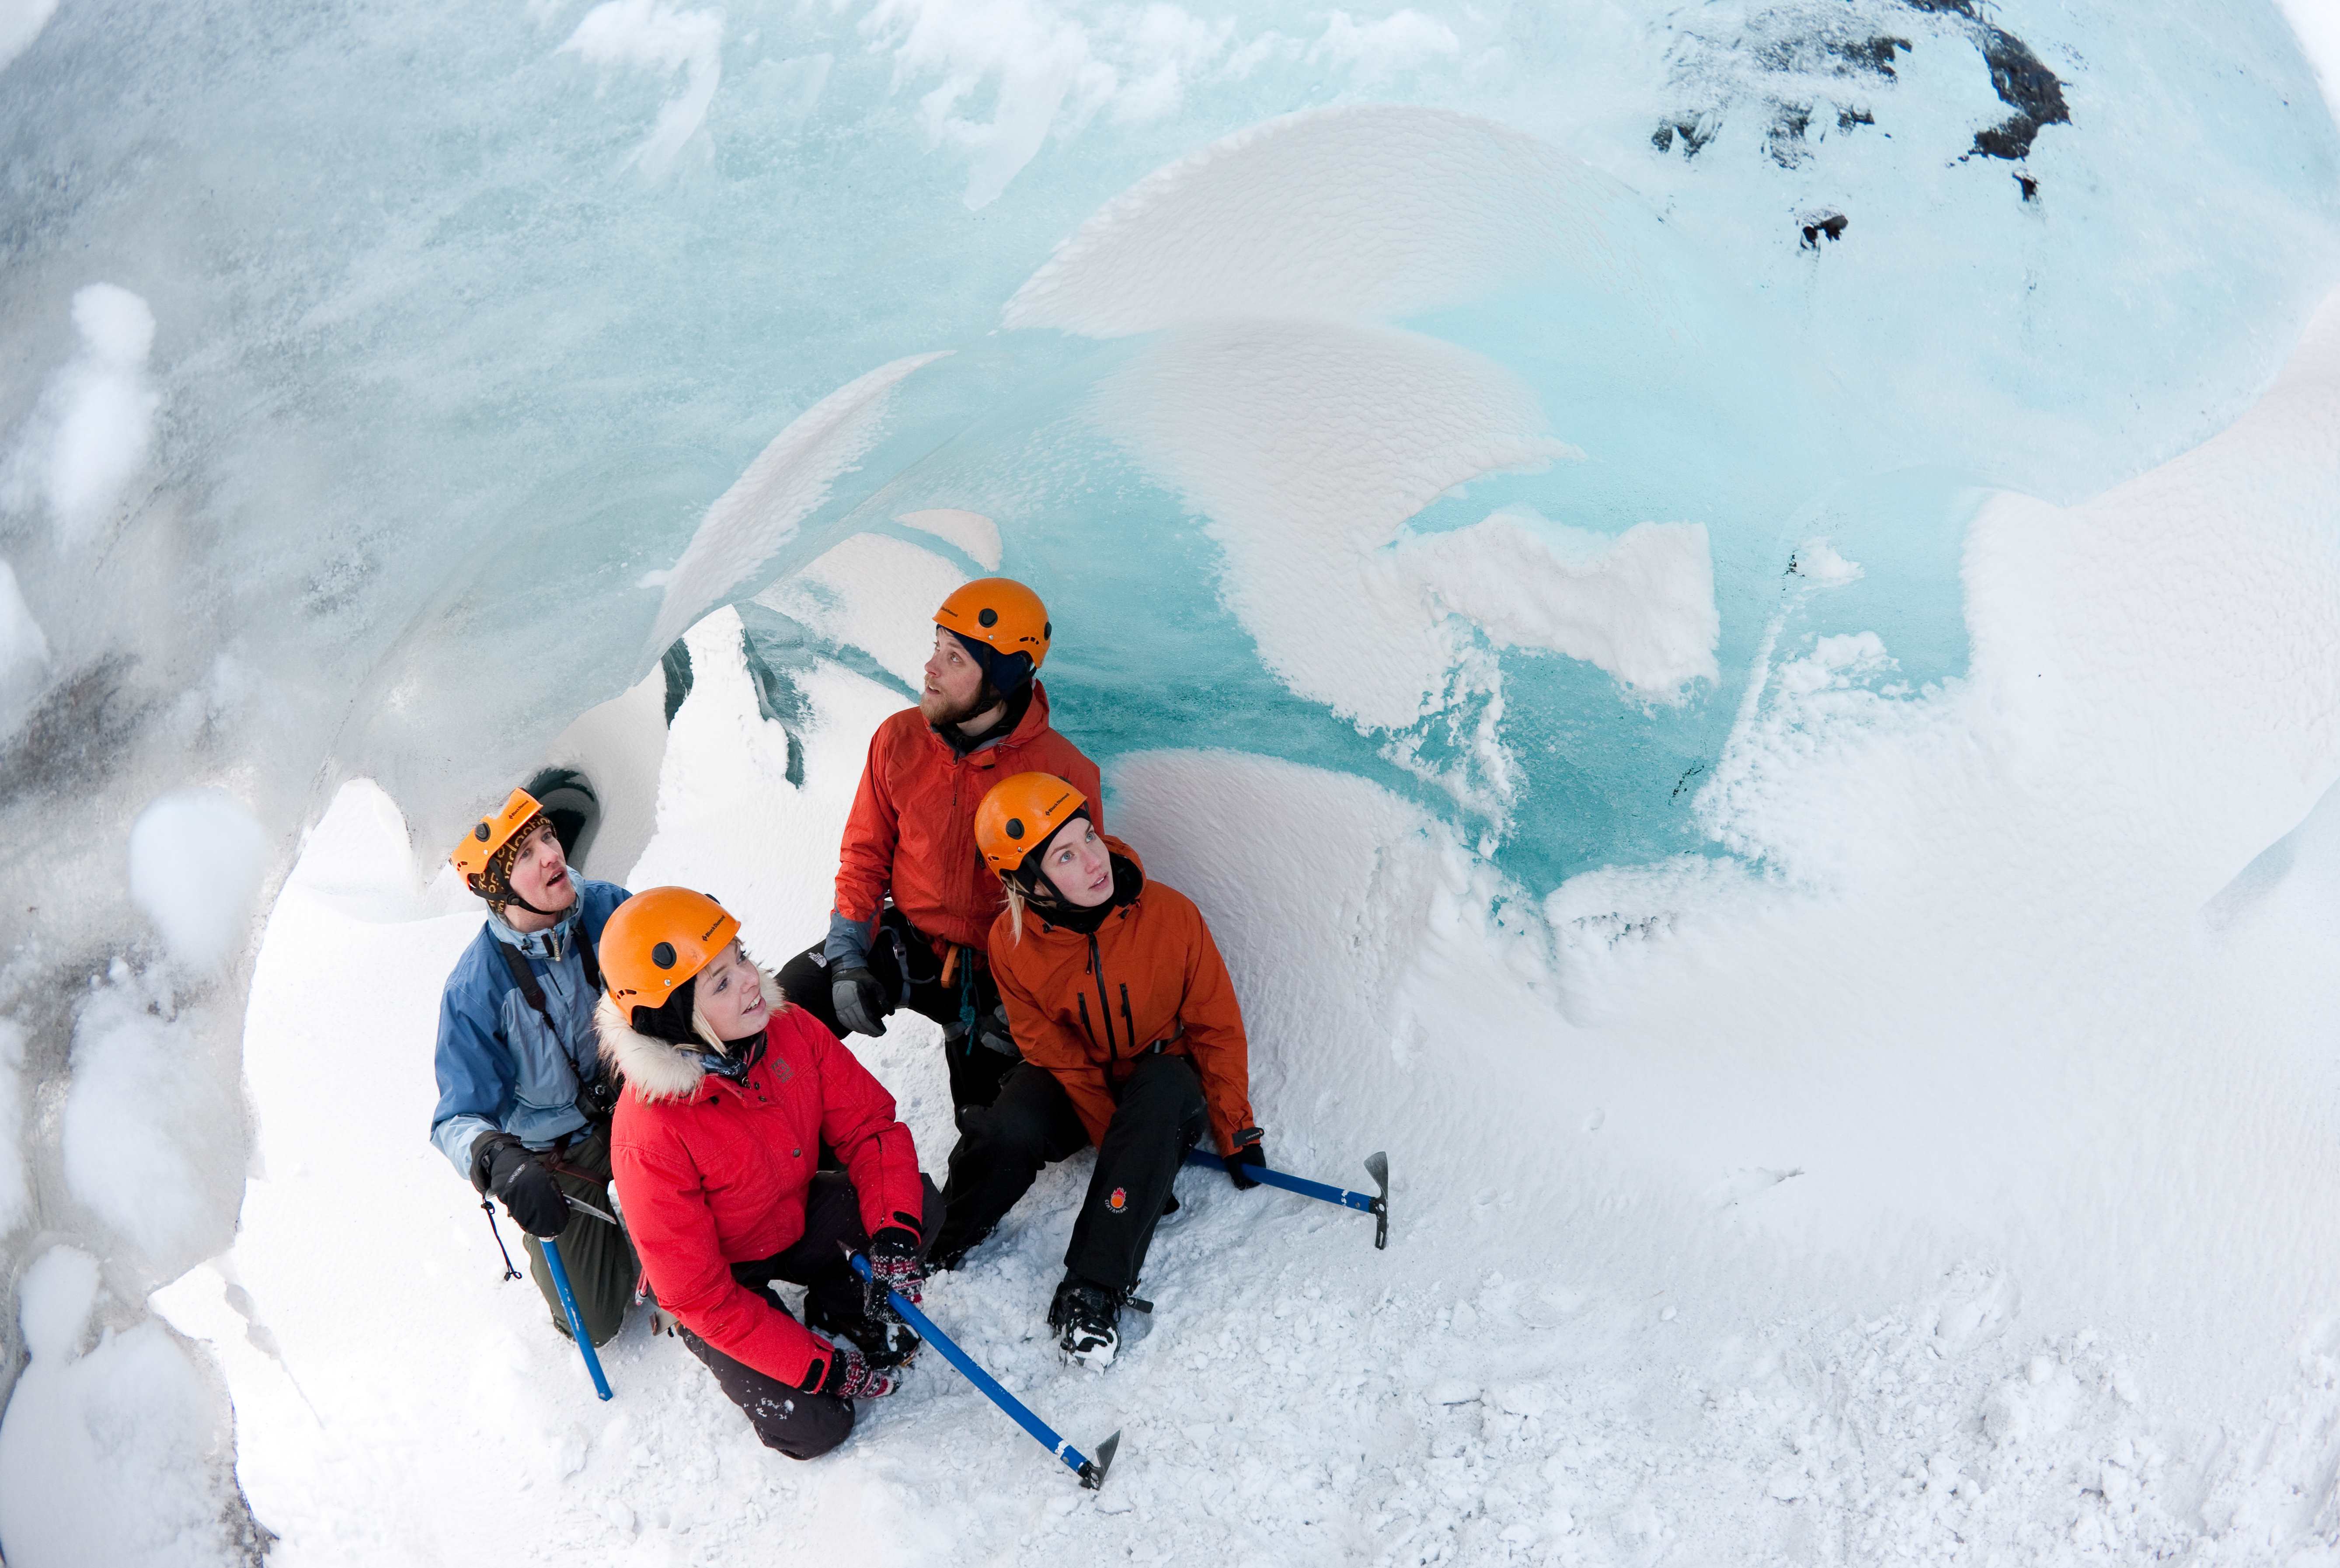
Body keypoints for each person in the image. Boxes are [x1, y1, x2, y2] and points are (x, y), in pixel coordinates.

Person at [932, 771, 1268, 1369]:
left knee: (1167, 1087)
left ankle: (1094, 1287)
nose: (1094, 861)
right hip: (1081, 1074)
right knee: (1009, 1122)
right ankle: (935, 1244)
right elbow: (1053, 1050)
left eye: (1089, 836)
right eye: (1065, 854)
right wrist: (1119, 1140)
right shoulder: (1012, 944)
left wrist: (1236, 1128)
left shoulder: (1171, 915)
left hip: (1161, 1075)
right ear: (1027, 883)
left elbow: (1216, 1027)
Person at [596, 886, 938, 1460]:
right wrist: (819, 1367)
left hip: (795, 1217)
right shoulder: (648, 1131)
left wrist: (895, 1235)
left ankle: (839, 1306)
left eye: (742, 957)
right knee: (815, 1425)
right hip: (722, 1280)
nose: (751, 980)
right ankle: (777, 1346)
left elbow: (872, 1128)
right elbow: (701, 1294)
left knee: (913, 1206)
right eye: (721, 982)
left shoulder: (791, 1030)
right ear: (675, 1012)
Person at [776, 578, 1104, 1122]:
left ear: (1001, 678)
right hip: (907, 942)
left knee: (986, 1125)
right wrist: (848, 955)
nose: (930, 667)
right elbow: (864, 856)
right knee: (783, 1011)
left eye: (954, 658)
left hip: (999, 973)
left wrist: (1023, 1007)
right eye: (936, 647)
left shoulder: (1063, 772)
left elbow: (1076, 908)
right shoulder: (899, 738)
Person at [430, 788, 639, 1345]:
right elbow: (457, 1118)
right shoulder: (476, 989)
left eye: (547, 836)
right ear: (495, 889)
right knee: (593, 1323)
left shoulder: (608, 907)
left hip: (641, 1104)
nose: (552, 854)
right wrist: (496, 1158)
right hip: (561, 1153)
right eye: (524, 854)